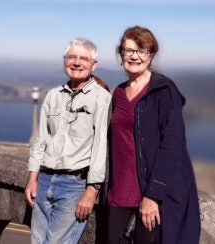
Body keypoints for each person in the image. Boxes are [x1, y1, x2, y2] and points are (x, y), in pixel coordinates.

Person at [106, 25, 201, 243]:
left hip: (148, 196)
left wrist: (152, 196)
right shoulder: (119, 93)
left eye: (142, 51)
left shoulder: (163, 90)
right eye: (129, 50)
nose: (135, 56)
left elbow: (172, 144)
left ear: (152, 55)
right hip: (119, 193)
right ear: (120, 54)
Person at [24, 38, 112, 243]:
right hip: (44, 179)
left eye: (83, 58)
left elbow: (101, 147)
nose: (77, 62)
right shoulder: (53, 95)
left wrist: (92, 190)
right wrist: (32, 178)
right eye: (72, 57)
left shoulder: (101, 98)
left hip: (74, 185)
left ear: (93, 64)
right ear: (65, 61)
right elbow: (40, 140)